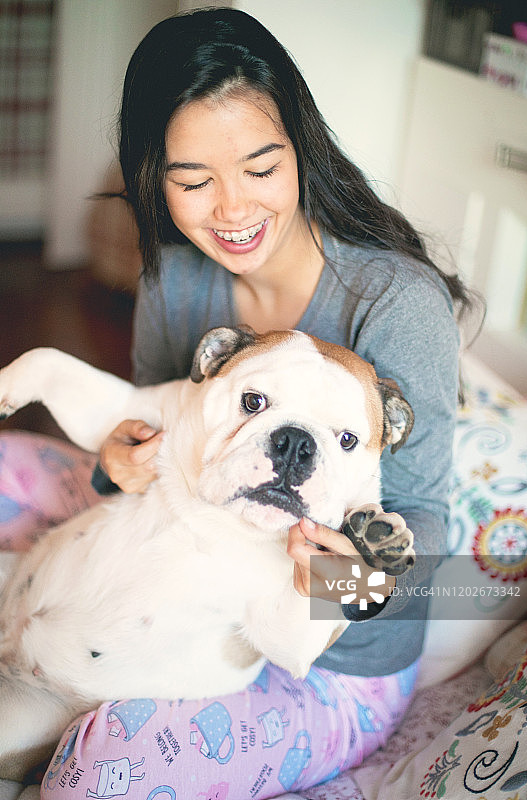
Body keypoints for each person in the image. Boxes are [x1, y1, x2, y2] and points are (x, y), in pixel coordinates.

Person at [0, 8, 475, 799]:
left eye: (261, 168)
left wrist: (339, 586)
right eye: (192, 181)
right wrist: (117, 467)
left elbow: (430, 540)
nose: (230, 209)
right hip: (154, 572)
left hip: (330, 665)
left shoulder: (393, 302)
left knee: (104, 766)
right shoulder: (177, 278)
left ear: (302, 150)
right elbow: (151, 433)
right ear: (153, 175)